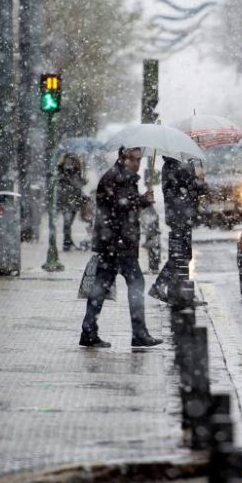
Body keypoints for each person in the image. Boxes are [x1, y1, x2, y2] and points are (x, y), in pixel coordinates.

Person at [79, 147, 163, 348]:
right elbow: (118, 205)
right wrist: (142, 200)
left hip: (118, 242)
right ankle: (138, 334)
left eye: (139, 160)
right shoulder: (115, 177)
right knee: (134, 284)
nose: (138, 163)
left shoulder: (125, 178)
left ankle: (89, 331)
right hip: (116, 243)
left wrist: (141, 200)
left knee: (101, 287)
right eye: (134, 159)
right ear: (123, 158)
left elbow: (123, 204)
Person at [148, 156, 207, 303]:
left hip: (177, 216)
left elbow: (188, 189)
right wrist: (201, 180)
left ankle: (181, 294)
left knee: (181, 256)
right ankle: (161, 286)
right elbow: (196, 188)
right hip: (182, 217)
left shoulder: (169, 166)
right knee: (181, 256)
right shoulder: (179, 167)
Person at [57, 153, 87, 251]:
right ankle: (67, 243)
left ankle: (68, 242)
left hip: (74, 201)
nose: (70, 164)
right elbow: (73, 184)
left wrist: (83, 181)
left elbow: (78, 185)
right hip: (66, 201)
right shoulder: (62, 172)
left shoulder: (76, 172)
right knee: (67, 223)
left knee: (68, 223)